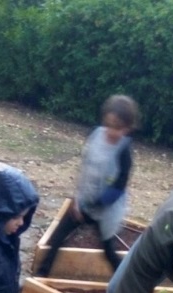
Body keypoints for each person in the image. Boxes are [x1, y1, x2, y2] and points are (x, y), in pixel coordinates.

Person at [35, 94, 139, 278]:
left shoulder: (124, 152)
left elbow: (118, 188)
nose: (111, 131)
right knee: (56, 238)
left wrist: (93, 205)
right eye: (108, 125)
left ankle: (125, 282)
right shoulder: (95, 135)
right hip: (83, 201)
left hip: (105, 210)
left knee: (108, 251)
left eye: (117, 128)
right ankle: (40, 276)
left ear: (127, 128)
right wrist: (77, 199)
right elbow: (85, 168)